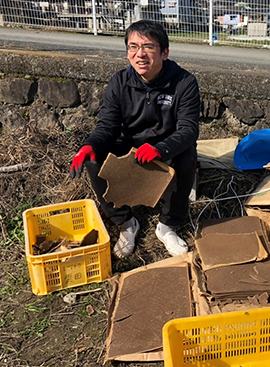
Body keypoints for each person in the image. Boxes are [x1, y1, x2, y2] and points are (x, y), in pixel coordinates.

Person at [69, 20, 200, 259]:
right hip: (130, 146)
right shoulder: (119, 82)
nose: (140, 54)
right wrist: (90, 145)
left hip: (165, 146)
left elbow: (189, 129)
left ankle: (167, 225)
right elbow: (107, 125)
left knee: (188, 155)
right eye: (133, 47)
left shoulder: (184, 82)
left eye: (148, 47)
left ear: (165, 52)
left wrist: (161, 148)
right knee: (93, 158)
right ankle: (126, 222)